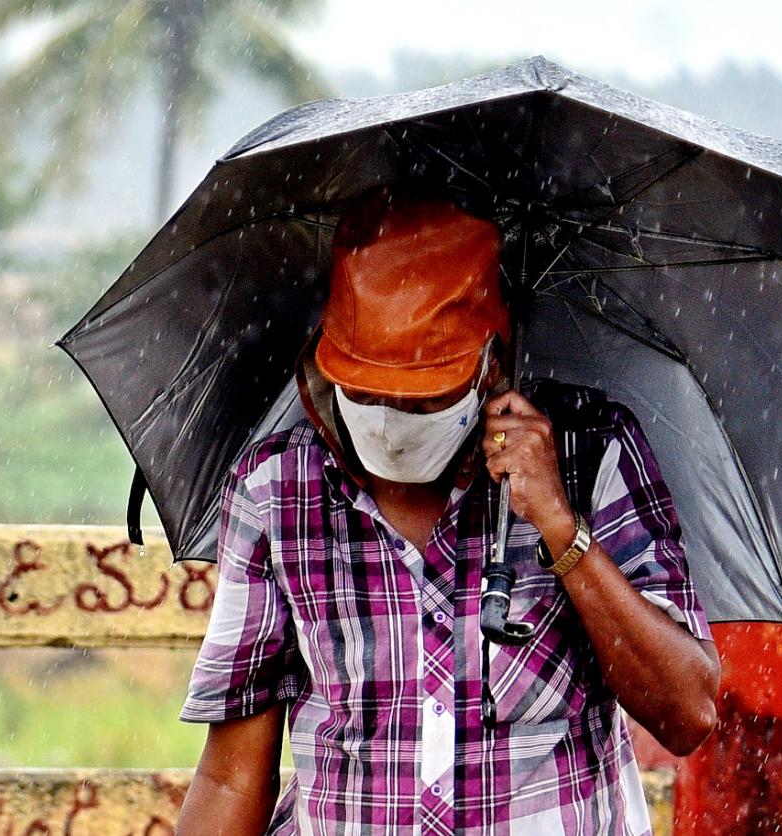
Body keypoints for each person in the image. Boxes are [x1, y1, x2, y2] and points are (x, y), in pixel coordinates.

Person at [175, 186, 720, 836]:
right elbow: (232, 773)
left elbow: (686, 713)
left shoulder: (591, 452)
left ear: (491, 367)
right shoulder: (277, 487)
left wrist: (557, 525)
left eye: (425, 399)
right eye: (368, 393)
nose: (392, 423)